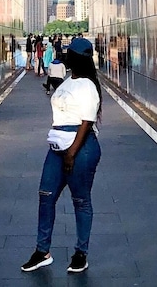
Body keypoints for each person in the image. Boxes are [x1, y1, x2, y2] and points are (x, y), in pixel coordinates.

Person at [21, 37, 102, 274]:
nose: (66, 56)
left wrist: (71, 154)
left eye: (70, 54)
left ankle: (80, 254)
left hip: (80, 147)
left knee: (81, 200)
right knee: (46, 195)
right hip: (58, 147)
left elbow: (86, 122)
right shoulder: (69, 81)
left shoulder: (88, 85)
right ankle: (42, 251)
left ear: (79, 58)